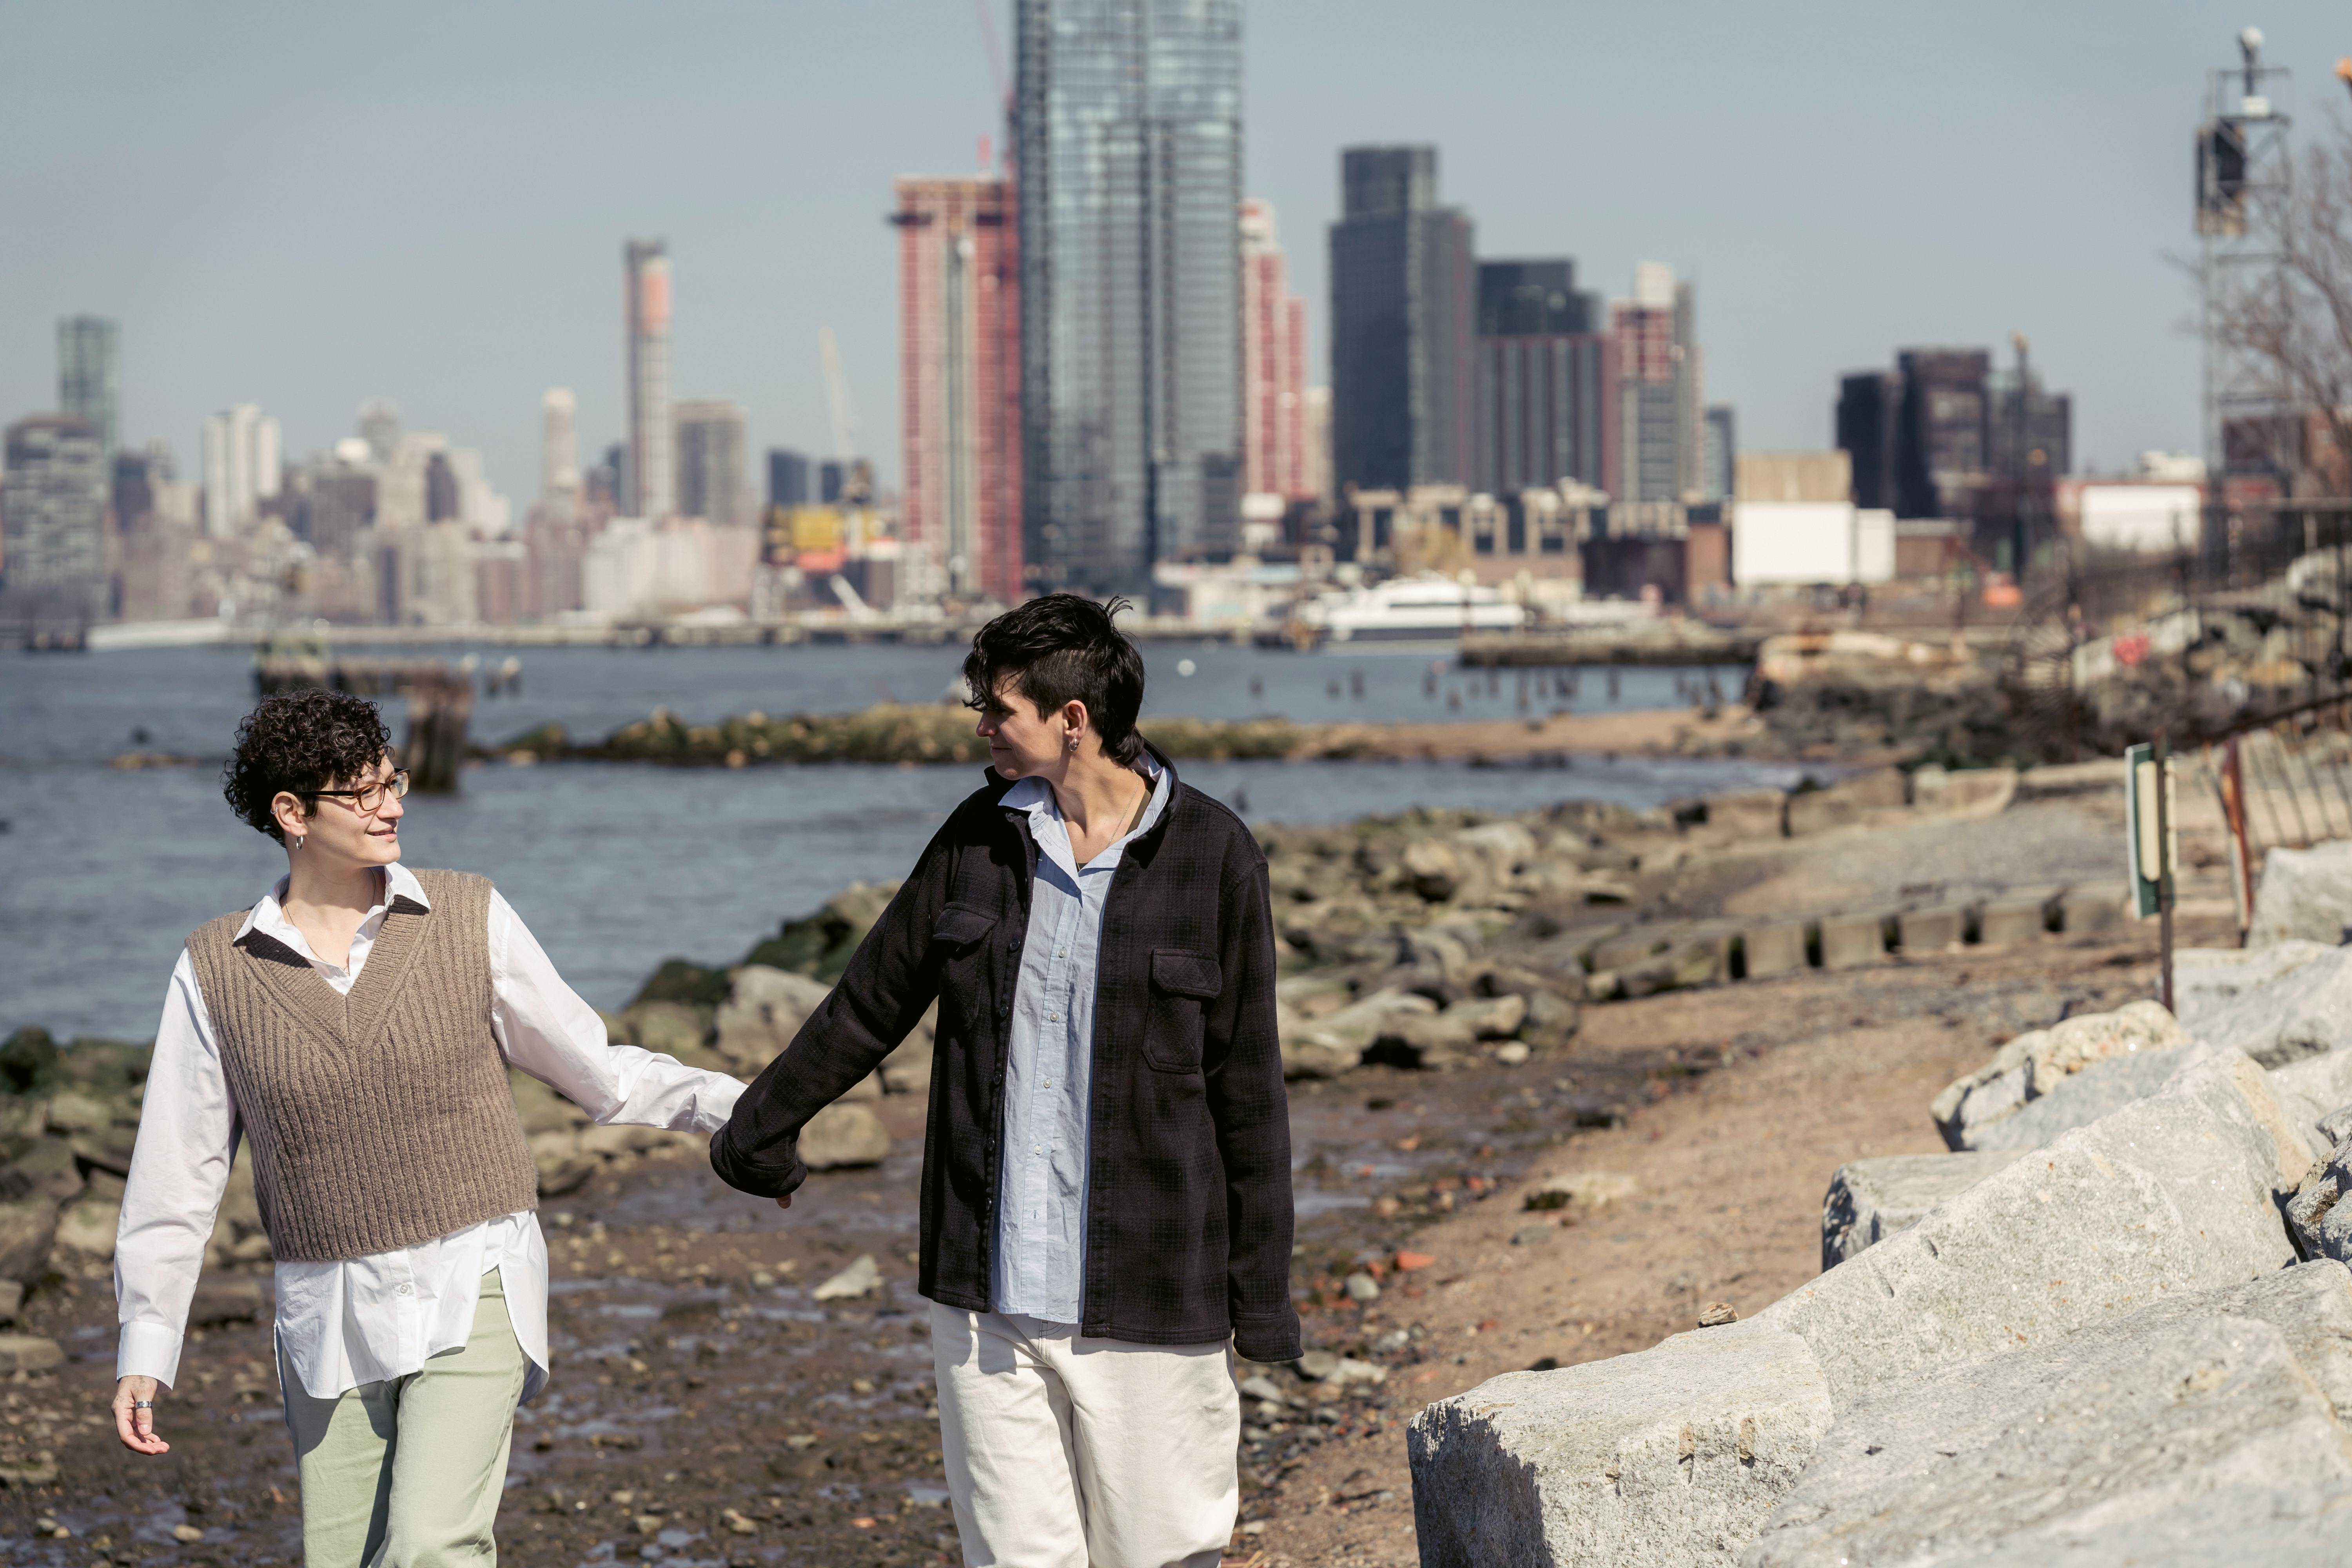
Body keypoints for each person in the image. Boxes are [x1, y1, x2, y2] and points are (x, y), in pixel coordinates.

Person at [712, 594, 1299, 1568]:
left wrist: (1262, 1298)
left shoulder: (1215, 854)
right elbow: (869, 1001)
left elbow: (1249, 1090)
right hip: (986, 1290)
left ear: (1073, 720)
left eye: (999, 708)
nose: (981, 725)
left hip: (1152, 1291)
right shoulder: (976, 838)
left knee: (1165, 1553)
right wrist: (755, 1131)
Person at [110, 688, 743, 1564]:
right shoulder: (217, 970)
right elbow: (178, 1173)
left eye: (392, 780)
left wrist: (747, 1115)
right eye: (362, 792)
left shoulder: (468, 915)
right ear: (291, 812)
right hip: (328, 1313)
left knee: (432, 1544)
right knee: (346, 1558)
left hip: (474, 1273)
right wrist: (147, 1342)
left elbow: (595, 1072)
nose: (395, 804)